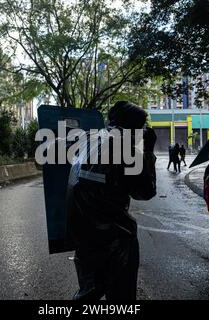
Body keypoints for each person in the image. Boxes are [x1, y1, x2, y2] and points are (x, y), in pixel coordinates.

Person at [66, 101, 157, 300]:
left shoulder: (88, 139)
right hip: (114, 237)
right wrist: (148, 152)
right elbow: (145, 191)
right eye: (141, 127)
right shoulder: (127, 151)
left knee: (89, 290)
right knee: (121, 294)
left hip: (80, 230)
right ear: (133, 128)